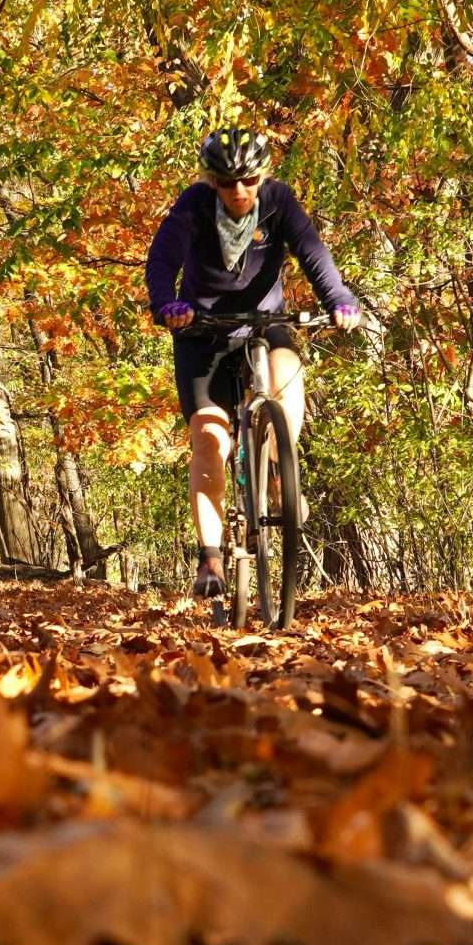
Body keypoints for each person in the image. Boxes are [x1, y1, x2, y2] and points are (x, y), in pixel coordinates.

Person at [145, 127, 361, 600]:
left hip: (264, 324)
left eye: (247, 180)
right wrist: (167, 305)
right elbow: (162, 260)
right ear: (210, 182)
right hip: (201, 332)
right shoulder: (194, 206)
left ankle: (278, 467)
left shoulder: (280, 201)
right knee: (209, 441)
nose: (238, 191)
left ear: (263, 175)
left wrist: (340, 300)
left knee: (286, 371)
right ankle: (210, 558)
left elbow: (314, 255)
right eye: (226, 183)